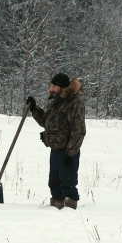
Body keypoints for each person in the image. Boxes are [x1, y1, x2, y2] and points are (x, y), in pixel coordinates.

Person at [27, 73, 87, 209]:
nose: (52, 88)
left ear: (63, 88)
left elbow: (78, 131)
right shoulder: (56, 103)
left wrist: (70, 153)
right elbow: (47, 123)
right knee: (54, 183)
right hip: (55, 149)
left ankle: (70, 211)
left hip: (67, 150)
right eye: (52, 85)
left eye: (55, 86)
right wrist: (34, 109)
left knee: (67, 183)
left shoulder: (74, 104)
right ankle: (56, 210)